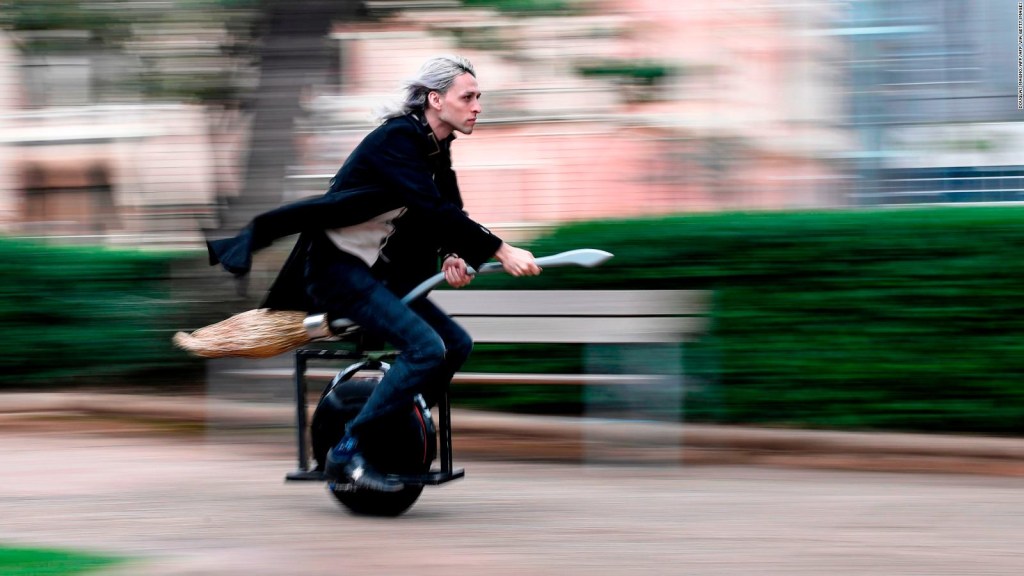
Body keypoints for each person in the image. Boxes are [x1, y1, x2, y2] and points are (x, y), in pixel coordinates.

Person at [207, 55, 541, 491]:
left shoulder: (434, 147)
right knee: (425, 348)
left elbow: (446, 211)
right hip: (338, 271)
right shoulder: (397, 140)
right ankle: (348, 451)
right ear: (436, 100)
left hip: (377, 272)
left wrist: (453, 254)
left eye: (479, 98)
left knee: (454, 344)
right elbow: (430, 206)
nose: (477, 106)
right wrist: (500, 249)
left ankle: (392, 416)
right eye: (468, 97)